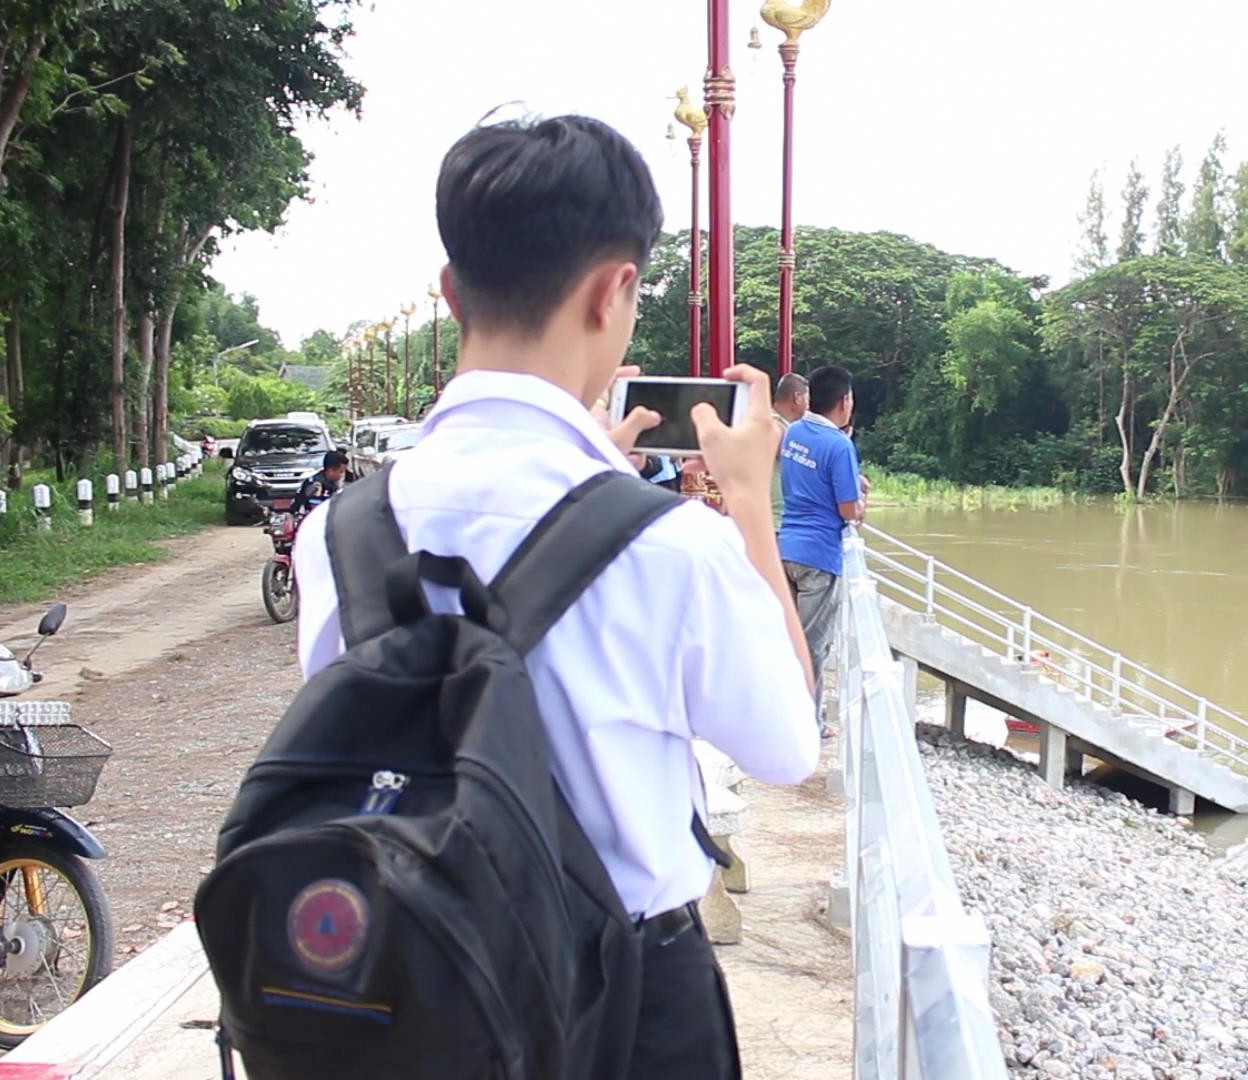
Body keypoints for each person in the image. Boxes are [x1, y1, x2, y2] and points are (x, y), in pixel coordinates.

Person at [292, 114, 817, 1080]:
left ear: (451, 294)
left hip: (406, 986)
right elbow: (787, 746)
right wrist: (748, 503)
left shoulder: (344, 529)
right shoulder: (673, 542)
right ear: (617, 291)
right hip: (623, 999)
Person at [777, 365, 863, 735]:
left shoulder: (794, 431)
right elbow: (848, 510)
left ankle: (785, 714)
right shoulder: (840, 445)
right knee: (812, 646)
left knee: (786, 639)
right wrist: (861, 502)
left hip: (786, 548)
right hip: (819, 556)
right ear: (844, 402)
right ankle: (806, 726)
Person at [770, 372, 809, 517]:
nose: (809, 406)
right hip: (774, 520)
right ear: (797, 398)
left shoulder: (779, 426)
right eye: (808, 399)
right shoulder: (775, 427)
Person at [293, 450, 348, 516]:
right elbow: (316, 511)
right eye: (341, 472)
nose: (342, 475)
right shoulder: (317, 485)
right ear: (330, 471)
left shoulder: (331, 483)